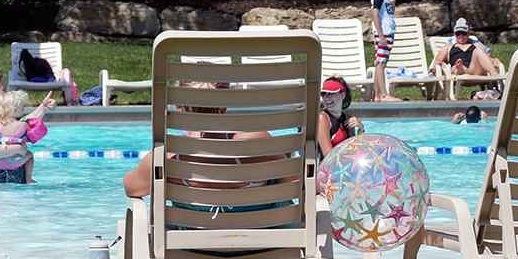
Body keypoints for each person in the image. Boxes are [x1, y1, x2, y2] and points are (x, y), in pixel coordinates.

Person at [123, 82, 296, 199]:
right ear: (224, 107)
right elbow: (295, 183)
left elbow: (131, 188)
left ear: (178, 106)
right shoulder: (257, 143)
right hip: (259, 238)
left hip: (189, 241)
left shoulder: (165, 157)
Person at [432, 18, 502, 78]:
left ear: (468, 33)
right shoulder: (448, 47)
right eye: (458, 33)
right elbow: (438, 59)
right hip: (457, 69)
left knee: (478, 50)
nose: (461, 36)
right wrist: (438, 62)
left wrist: (494, 60)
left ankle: (494, 73)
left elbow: (486, 59)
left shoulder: (477, 45)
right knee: (455, 67)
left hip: (475, 68)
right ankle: (460, 67)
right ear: (454, 34)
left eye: (464, 33)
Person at [370, 0, 402, 101]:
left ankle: (378, 95)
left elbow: (389, 15)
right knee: (381, 63)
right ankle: (384, 94)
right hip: (384, 34)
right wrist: (381, 35)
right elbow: (375, 16)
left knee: (380, 62)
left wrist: (392, 3)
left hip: (386, 33)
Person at [319, 76, 363, 156]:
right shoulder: (322, 119)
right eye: (323, 94)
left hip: (345, 162)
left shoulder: (348, 119)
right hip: (329, 163)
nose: (326, 98)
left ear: (342, 95)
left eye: (331, 94)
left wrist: (361, 129)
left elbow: (355, 152)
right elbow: (328, 156)